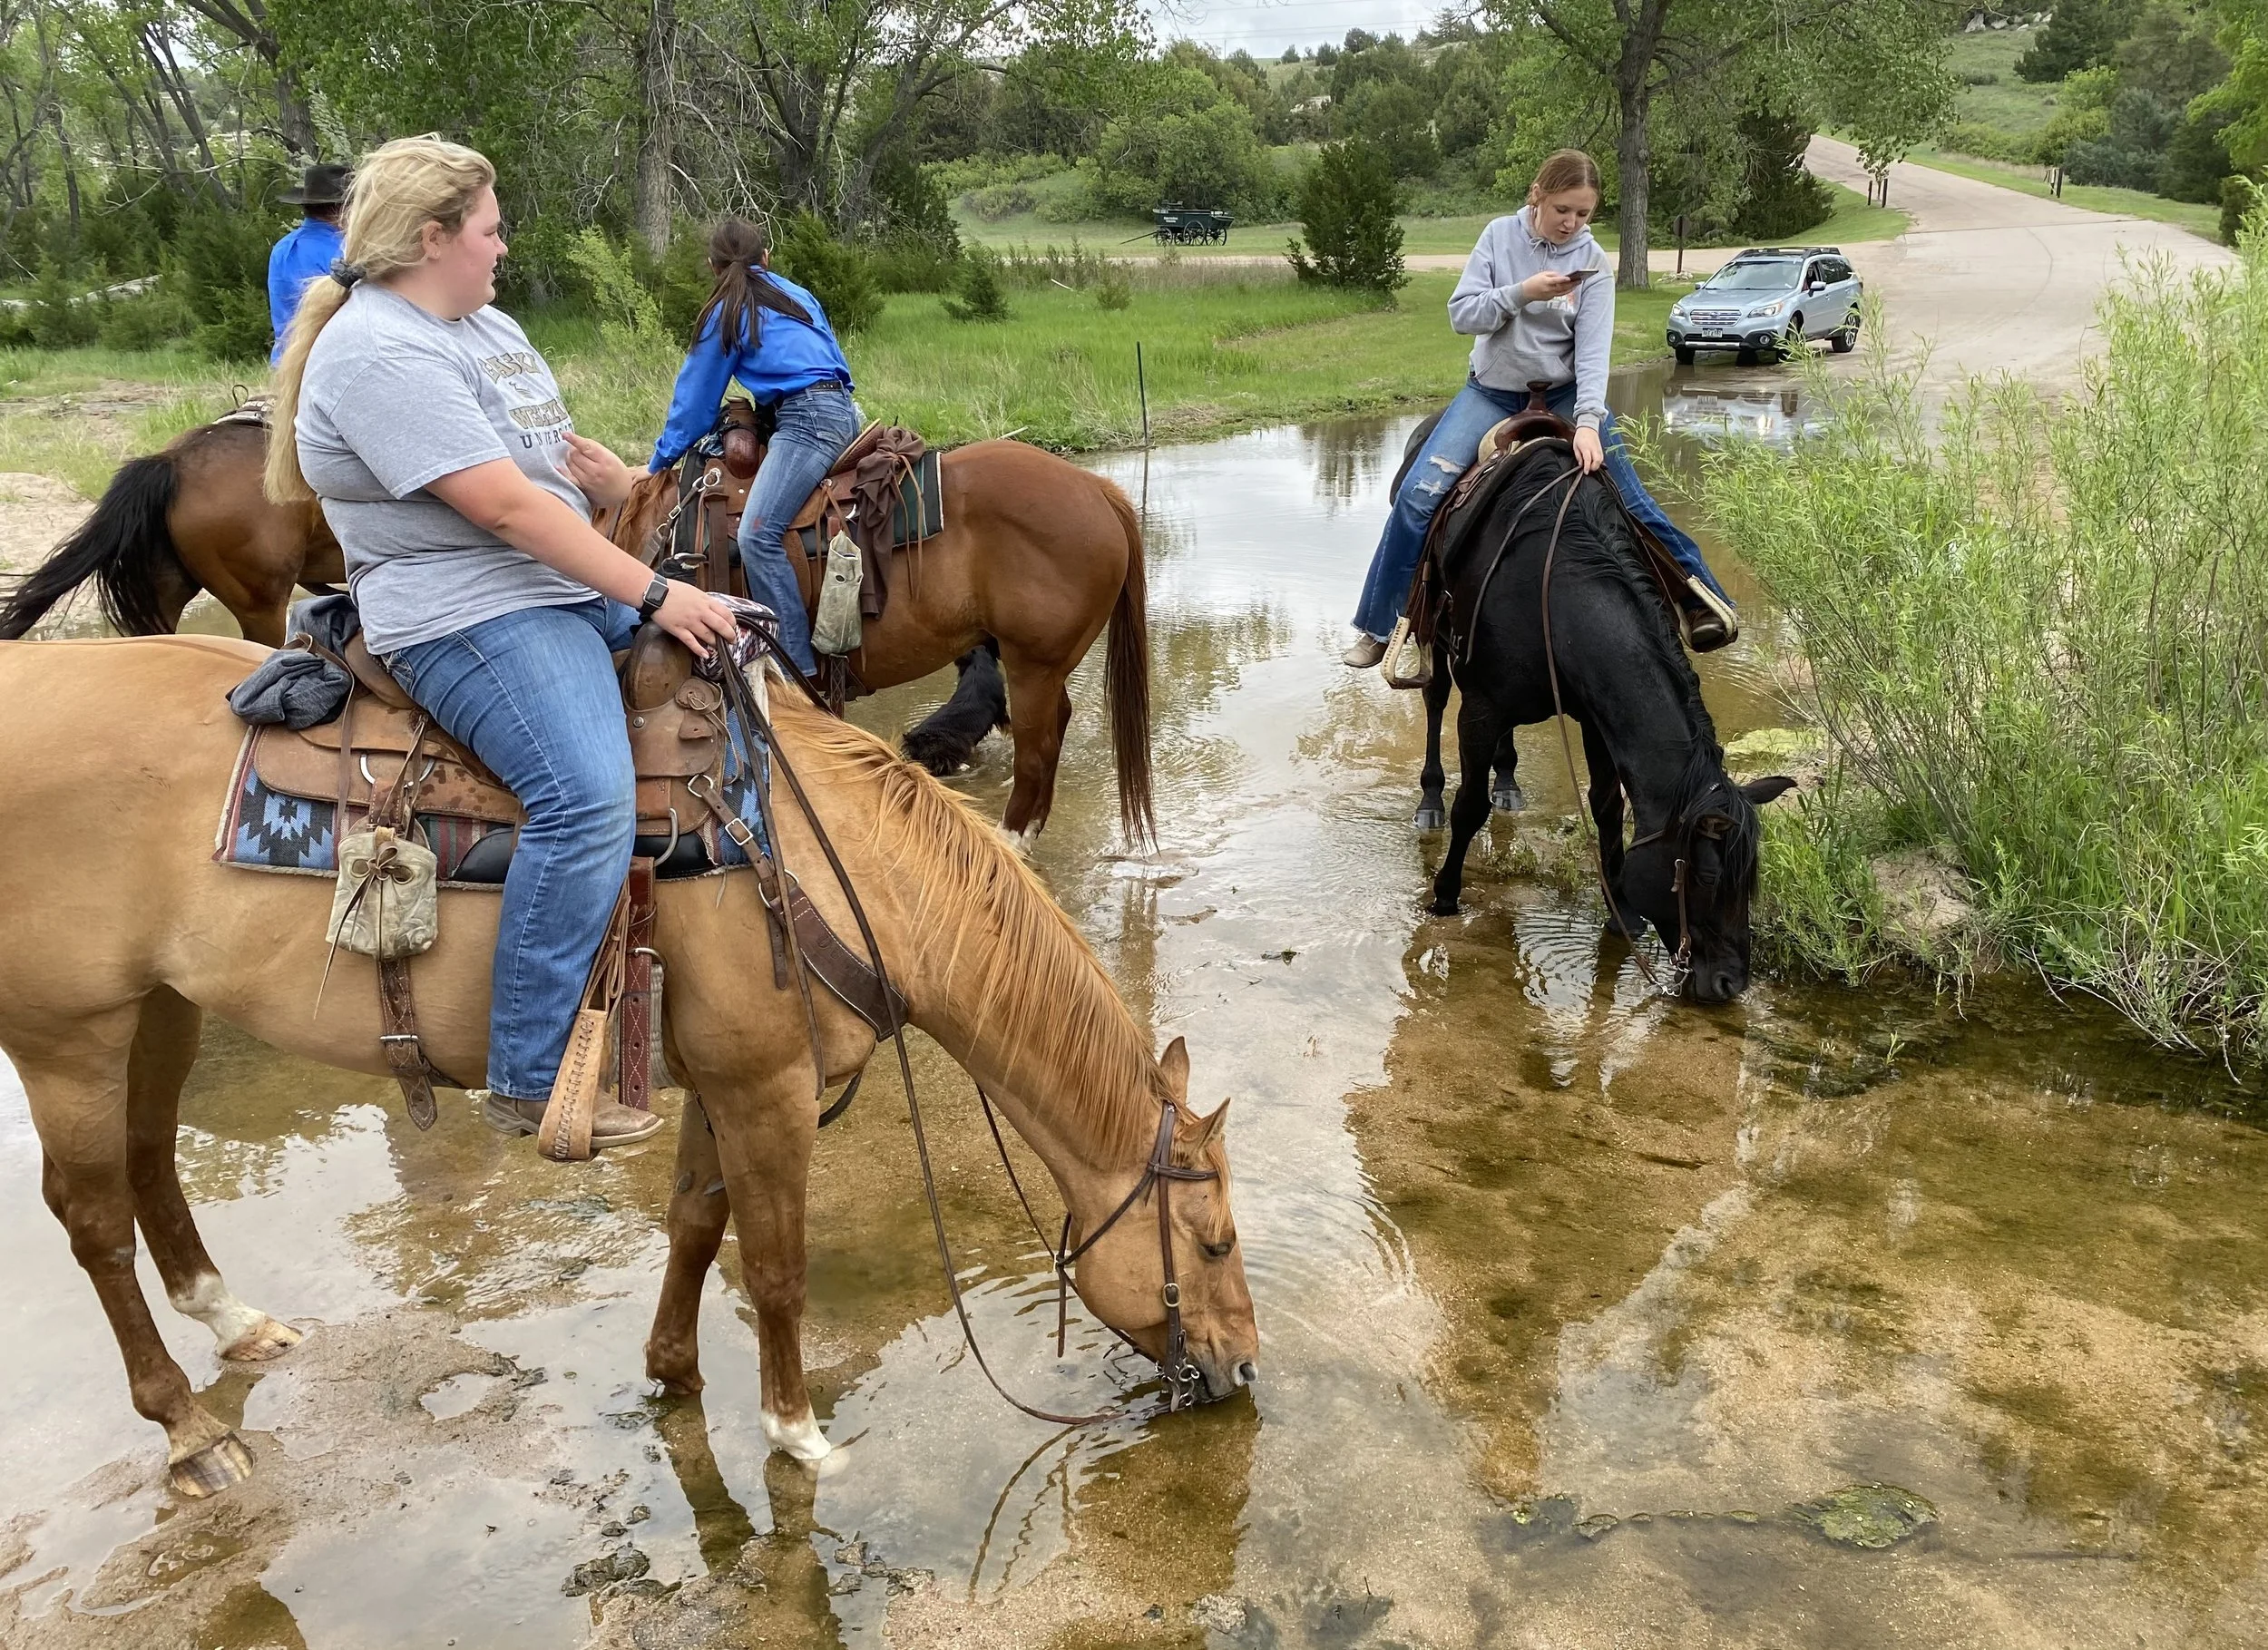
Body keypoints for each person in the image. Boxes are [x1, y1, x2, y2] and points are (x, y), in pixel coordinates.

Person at [264, 135, 741, 1152]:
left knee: (745, 675)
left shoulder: (480, 323)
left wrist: (620, 491)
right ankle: (531, 1073)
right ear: (433, 238)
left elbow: (541, 476)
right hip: (469, 612)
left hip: (552, 579)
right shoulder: (380, 351)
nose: (503, 245)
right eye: (488, 229)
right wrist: (658, 592)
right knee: (585, 795)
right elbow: (505, 510)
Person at [1344, 149, 1734, 667]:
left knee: (1630, 497)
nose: (1572, 223)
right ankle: (1380, 628)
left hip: (1568, 393)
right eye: (1563, 210)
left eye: (1584, 214)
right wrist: (1521, 292)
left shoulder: (1592, 261)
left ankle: (1700, 599)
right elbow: (1463, 315)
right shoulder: (1498, 237)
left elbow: (1594, 352)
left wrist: (1590, 423)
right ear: (1538, 195)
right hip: (1492, 392)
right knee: (1418, 496)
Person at [650, 219, 859, 678]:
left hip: (806, 421)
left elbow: (696, 404)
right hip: (843, 407)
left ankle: (796, 669)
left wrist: (658, 461)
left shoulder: (727, 309)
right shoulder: (796, 294)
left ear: (713, 266)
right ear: (766, 258)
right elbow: (836, 363)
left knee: (757, 535)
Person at [267, 163, 351, 366]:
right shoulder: (346, 252)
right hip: (330, 365)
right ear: (341, 209)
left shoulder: (282, 248)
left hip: (287, 365)